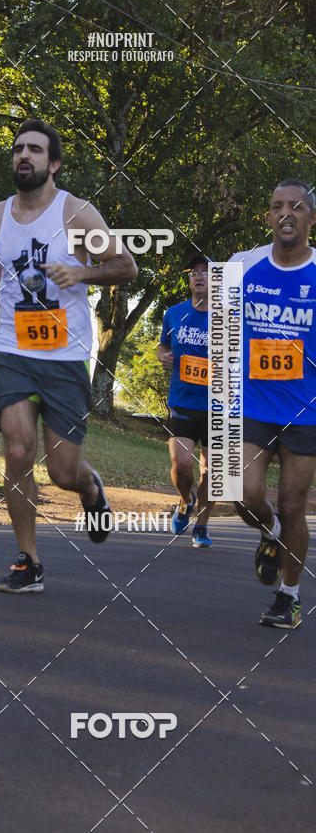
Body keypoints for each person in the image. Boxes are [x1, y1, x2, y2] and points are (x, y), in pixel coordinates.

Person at [0, 119, 137, 592]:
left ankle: (90, 489)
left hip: (65, 354)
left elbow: (125, 265)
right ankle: (28, 561)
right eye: (17, 150)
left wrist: (82, 275)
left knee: (61, 471)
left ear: (52, 164)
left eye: (33, 150)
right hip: (13, 348)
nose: (22, 156)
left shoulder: (77, 213)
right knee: (16, 451)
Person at [230, 179, 316, 628]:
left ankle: (289, 595)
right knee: (244, 496)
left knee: (293, 504)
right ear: (267, 216)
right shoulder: (242, 267)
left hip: (307, 410)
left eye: (297, 207)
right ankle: (272, 533)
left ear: (311, 218)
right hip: (253, 406)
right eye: (278, 206)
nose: (287, 213)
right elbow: (220, 328)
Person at [157, 255, 214, 546]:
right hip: (182, 400)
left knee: (211, 472)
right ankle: (184, 500)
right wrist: (163, 357)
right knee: (181, 465)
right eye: (194, 273)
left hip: (220, 406)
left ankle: (202, 526)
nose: (199, 277)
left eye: (206, 272)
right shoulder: (174, 313)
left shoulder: (229, 318)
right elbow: (162, 347)